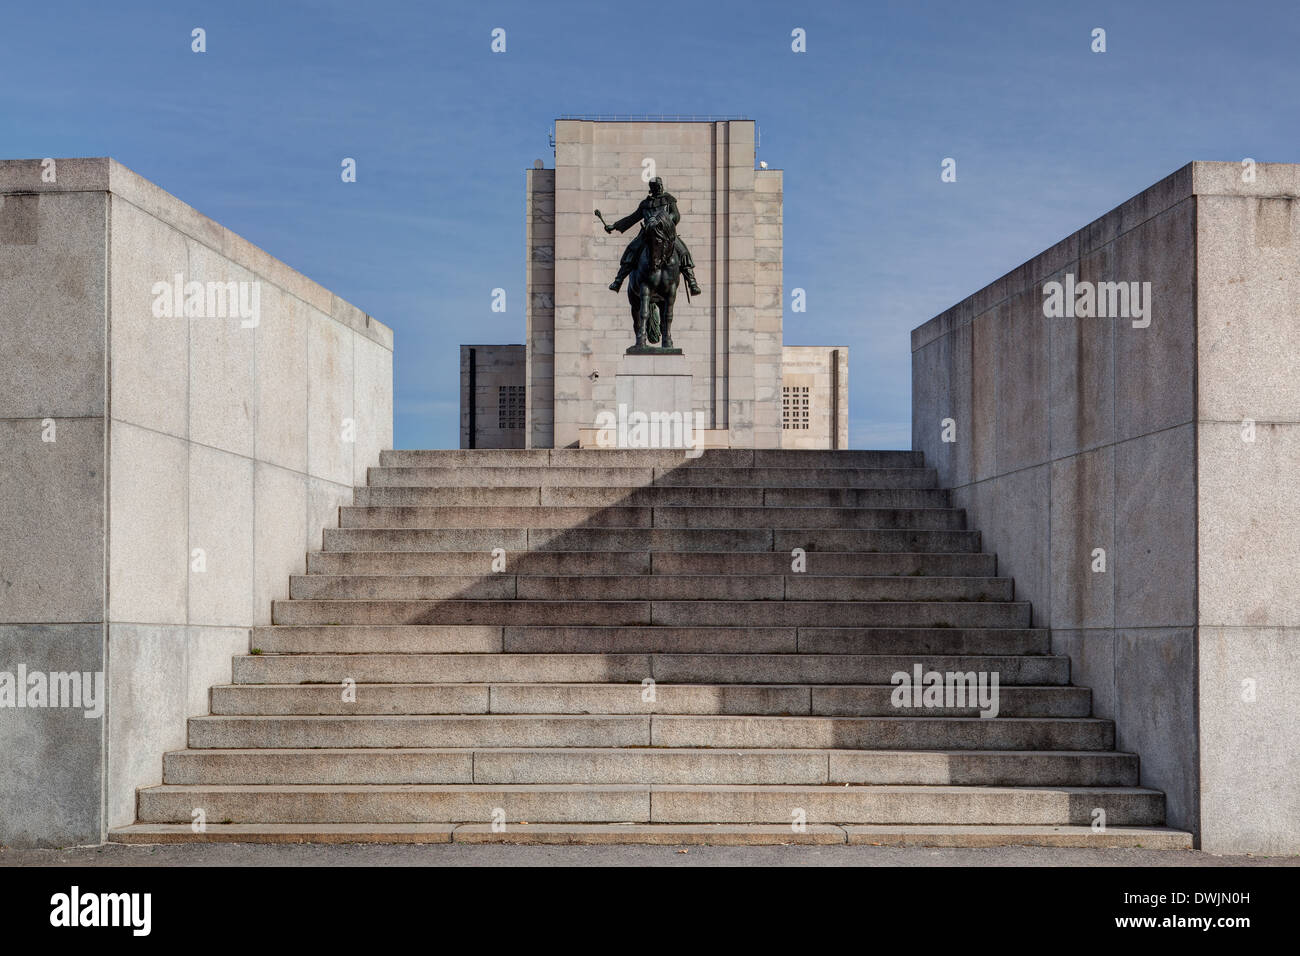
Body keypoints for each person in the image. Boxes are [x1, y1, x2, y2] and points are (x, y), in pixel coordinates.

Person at [605, 177, 702, 296]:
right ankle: (618, 280)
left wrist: (662, 222)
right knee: (631, 249)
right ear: (652, 188)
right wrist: (614, 226)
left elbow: (675, 215)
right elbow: (633, 218)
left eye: (660, 185)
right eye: (657, 186)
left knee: (683, 251)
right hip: (647, 234)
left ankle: (692, 282)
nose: (660, 188)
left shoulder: (668, 199)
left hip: (666, 234)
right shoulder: (646, 203)